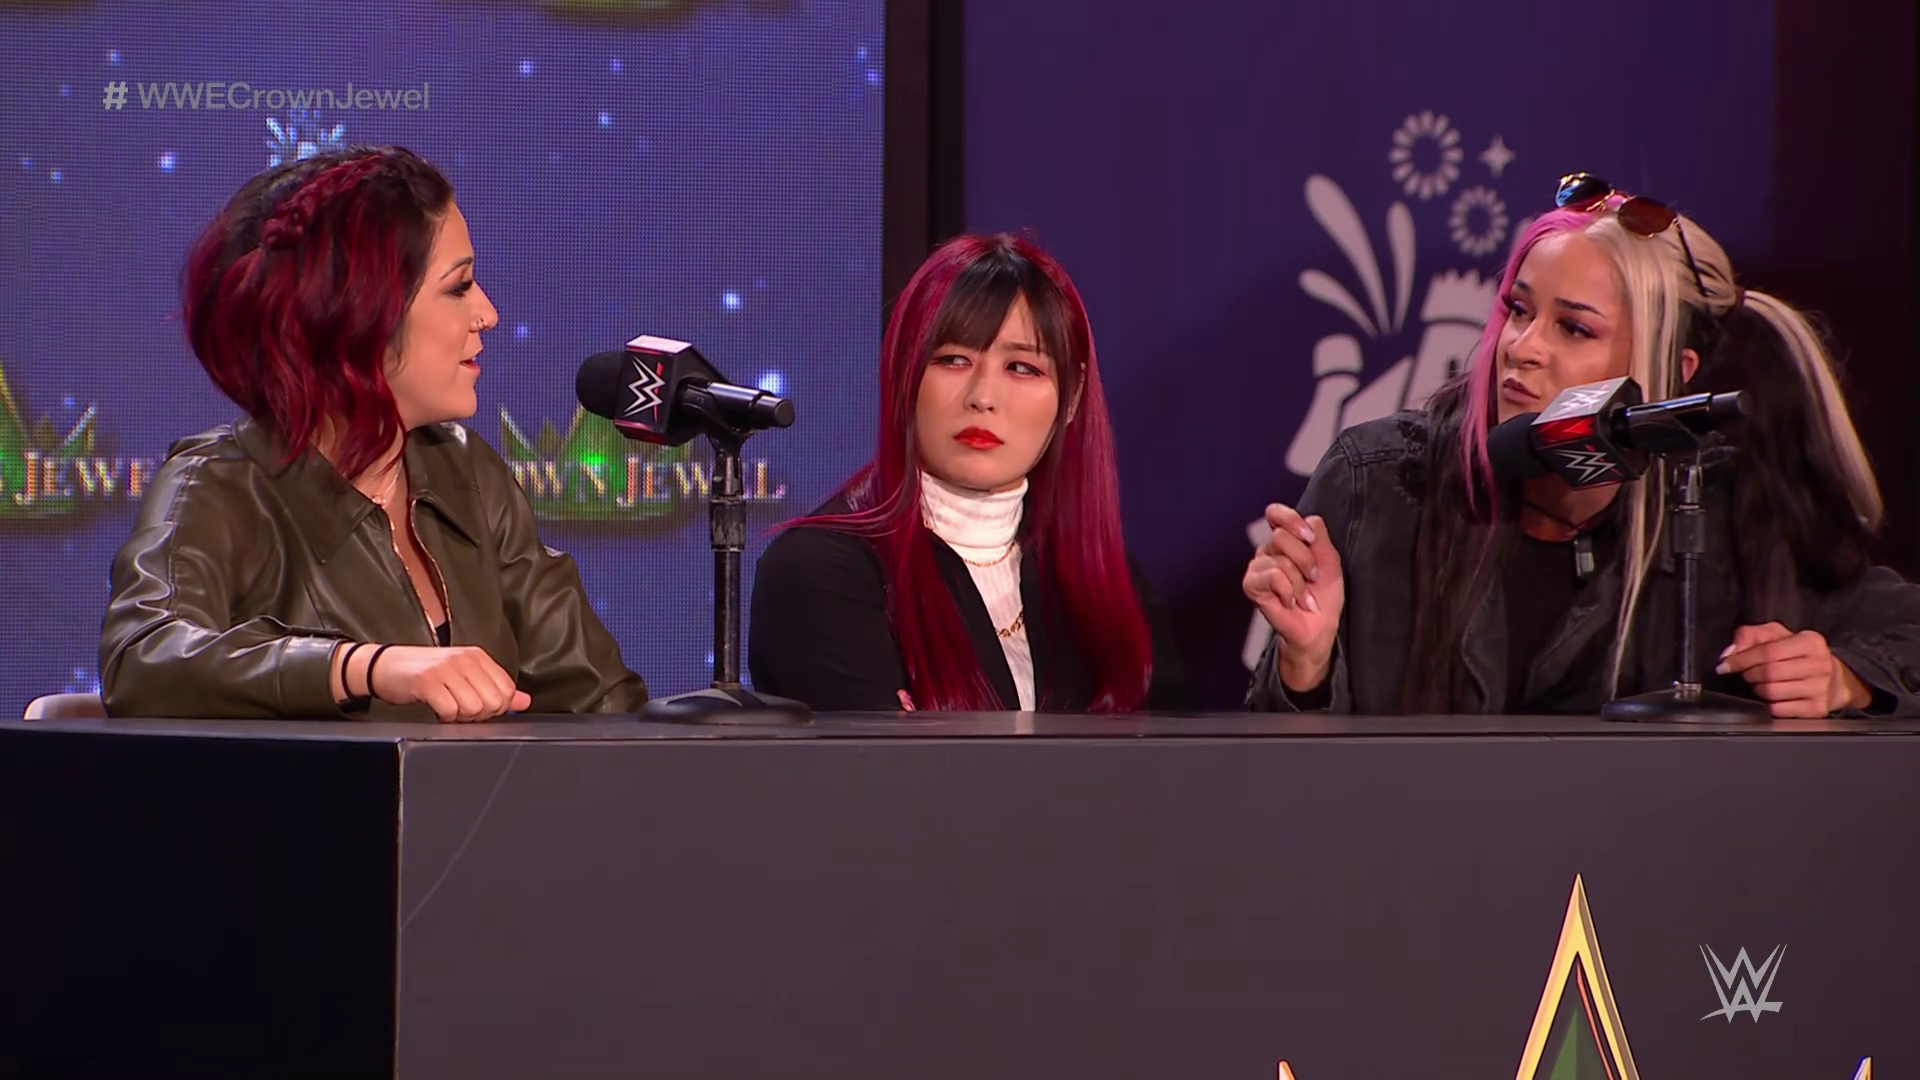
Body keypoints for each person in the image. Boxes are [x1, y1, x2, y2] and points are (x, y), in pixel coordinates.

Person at [1245, 172, 1920, 717]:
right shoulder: (1377, 481)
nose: (1522, 347)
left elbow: (1902, 632)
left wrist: (1847, 678)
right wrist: (1307, 666)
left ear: (1671, 371)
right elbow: (1288, 786)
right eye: (1519, 309)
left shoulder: (1728, 512)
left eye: (1574, 329)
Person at [100, 145, 648, 721]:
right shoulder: (221, 485)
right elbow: (143, 661)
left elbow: (599, 703)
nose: (487, 314)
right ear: (360, 315)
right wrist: (365, 666)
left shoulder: (465, 471)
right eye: (459, 287)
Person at [748, 232, 1184, 712]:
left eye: (1021, 367)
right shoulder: (820, 572)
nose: (983, 397)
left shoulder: (1103, 576)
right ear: (905, 374)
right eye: (953, 360)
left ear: (1073, 395)